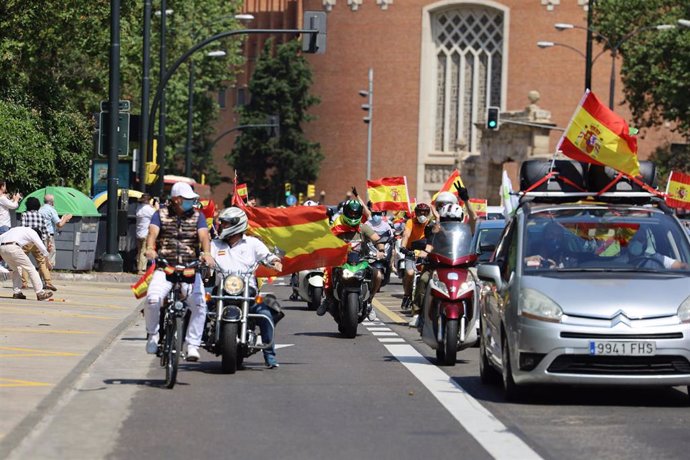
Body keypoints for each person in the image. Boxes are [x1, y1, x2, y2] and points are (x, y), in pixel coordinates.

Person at [144, 182, 214, 362]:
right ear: (176, 199)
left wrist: (206, 253)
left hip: (190, 268)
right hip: (165, 266)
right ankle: (153, 335)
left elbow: (204, 235)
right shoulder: (159, 214)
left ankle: (192, 345)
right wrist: (151, 249)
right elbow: (152, 234)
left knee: (199, 305)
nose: (190, 203)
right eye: (187, 199)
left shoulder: (198, 216)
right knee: (153, 299)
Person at [211, 207, 284, 368]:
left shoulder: (252, 243)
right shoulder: (215, 244)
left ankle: (270, 355)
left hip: (247, 292)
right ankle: (186, 345)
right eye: (221, 222)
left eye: (225, 223)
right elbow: (205, 255)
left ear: (236, 224)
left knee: (266, 314)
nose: (221, 225)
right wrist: (203, 259)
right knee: (197, 306)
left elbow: (267, 255)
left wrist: (274, 260)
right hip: (222, 290)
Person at [316, 198, 385, 319]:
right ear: (345, 213)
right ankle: (328, 299)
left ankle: (369, 303)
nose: (353, 216)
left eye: (356, 214)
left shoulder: (363, 228)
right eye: (351, 213)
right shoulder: (337, 227)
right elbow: (326, 240)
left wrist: (381, 250)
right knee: (327, 272)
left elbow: (377, 239)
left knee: (378, 275)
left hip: (361, 261)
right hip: (341, 262)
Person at [0, 226, 53, 300]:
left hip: (2, 248)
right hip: (13, 247)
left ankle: (17, 292)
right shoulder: (33, 232)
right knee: (31, 269)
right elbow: (41, 247)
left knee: (16, 269)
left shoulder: (16, 229)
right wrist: (47, 261)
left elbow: (1, 237)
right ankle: (40, 293)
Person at [400, 202, 433, 310]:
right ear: (416, 213)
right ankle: (407, 295)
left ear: (428, 214)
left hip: (424, 253)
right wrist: (403, 247)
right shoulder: (410, 222)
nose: (422, 215)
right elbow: (406, 235)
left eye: (425, 213)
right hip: (411, 252)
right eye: (420, 213)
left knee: (426, 275)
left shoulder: (430, 224)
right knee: (409, 273)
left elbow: (434, 239)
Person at [20, 197, 55, 291]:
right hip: (38, 242)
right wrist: (49, 242)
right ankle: (48, 282)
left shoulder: (25, 215)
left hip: (27, 242)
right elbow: (45, 230)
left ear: (27, 205)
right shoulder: (40, 215)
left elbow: (23, 228)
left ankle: (24, 283)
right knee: (42, 262)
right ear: (38, 206)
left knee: (24, 262)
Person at [39, 193, 72, 266]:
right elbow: (59, 225)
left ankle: (42, 275)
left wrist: (62, 219)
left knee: (42, 256)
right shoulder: (51, 210)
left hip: (40, 235)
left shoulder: (40, 209)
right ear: (51, 202)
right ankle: (47, 275)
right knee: (50, 255)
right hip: (49, 236)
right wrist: (66, 218)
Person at [135, 193, 157, 275]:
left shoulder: (139, 208)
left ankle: (138, 267)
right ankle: (142, 269)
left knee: (139, 251)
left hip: (138, 232)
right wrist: (155, 206)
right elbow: (157, 214)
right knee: (144, 252)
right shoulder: (149, 209)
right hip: (145, 233)